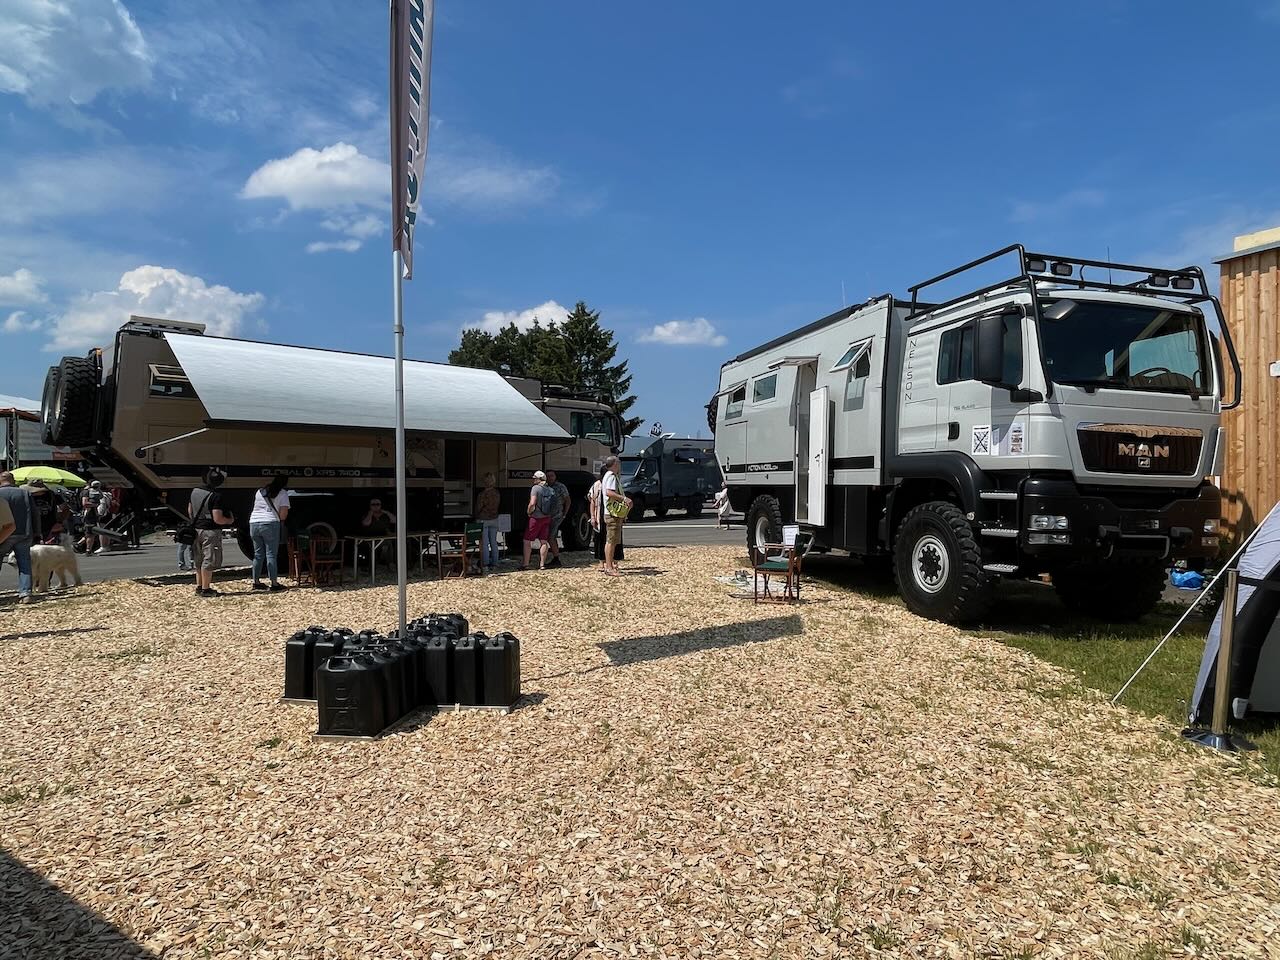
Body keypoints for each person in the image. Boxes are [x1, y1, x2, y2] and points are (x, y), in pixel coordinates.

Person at [189, 468, 235, 597]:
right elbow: (217, 518)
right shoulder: (216, 496)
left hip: (196, 529)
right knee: (209, 559)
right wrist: (229, 520)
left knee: (198, 559)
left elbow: (190, 510)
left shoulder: (195, 491)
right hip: (210, 531)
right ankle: (206, 589)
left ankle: (199, 586)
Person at [249, 474, 291, 592]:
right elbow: (283, 515)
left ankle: (256, 582)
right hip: (270, 523)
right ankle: (274, 583)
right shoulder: (283, 493)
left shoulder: (259, 492)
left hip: (254, 523)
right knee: (271, 554)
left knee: (258, 555)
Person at [0, 472, 34, 602]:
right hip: (23, 532)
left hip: (3, 532)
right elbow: (34, 513)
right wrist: (37, 532)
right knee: (24, 563)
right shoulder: (24, 493)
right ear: (13, 480)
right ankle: (25, 593)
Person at [600, 456, 632, 577]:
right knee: (611, 541)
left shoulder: (608, 476)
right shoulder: (611, 476)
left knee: (612, 541)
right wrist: (624, 498)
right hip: (612, 513)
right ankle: (609, 567)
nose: (620, 465)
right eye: (618, 463)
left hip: (610, 513)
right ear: (615, 464)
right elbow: (609, 492)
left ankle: (610, 565)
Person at [522, 470, 554, 570]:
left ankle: (526, 564)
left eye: (535, 478)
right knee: (544, 541)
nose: (534, 480)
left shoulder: (535, 488)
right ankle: (542, 564)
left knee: (527, 540)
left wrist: (529, 512)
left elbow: (532, 503)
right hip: (547, 517)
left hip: (536, 517)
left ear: (538, 479)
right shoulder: (549, 489)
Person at [544, 470, 571, 569]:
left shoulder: (560, 487)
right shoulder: (544, 487)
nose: (550, 478)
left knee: (551, 537)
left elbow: (567, 500)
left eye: (552, 475)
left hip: (557, 516)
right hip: (546, 516)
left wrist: (564, 514)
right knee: (548, 537)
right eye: (548, 476)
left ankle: (556, 558)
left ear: (555, 476)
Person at [475, 473, 502, 572]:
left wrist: (476, 515)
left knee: (485, 543)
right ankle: (495, 563)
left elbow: (479, 507)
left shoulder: (482, 494)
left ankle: (485, 563)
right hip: (494, 518)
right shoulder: (497, 493)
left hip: (483, 519)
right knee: (493, 542)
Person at [361, 497, 396, 564]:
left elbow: (395, 520)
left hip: (383, 538)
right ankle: (376, 563)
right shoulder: (367, 514)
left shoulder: (385, 515)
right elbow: (366, 523)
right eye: (373, 504)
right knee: (386, 543)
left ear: (381, 505)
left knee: (389, 542)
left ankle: (390, 563)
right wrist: (370, 514)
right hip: (370, 539)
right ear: (370, 506)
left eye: (377, 504)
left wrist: (387, 512)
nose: (376, 506)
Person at [588, 465, 607, 572]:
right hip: (599, 514)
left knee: (611, 539)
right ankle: (601, 562)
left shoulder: (614, 483)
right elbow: (592, 501)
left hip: (610, 514)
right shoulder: (597, 485)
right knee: (599, 539)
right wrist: (592, 516)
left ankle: (612, 562)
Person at [79, 480, 104, 554]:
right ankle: (88, 550)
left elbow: (101, 496)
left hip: (93, 513)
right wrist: (95, 505)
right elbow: (85, 503)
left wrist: (99, 490)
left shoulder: (94, 491)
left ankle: (79, 544)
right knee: (91, 533)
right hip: (88, 513)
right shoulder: (86, 492)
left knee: (91, 532)